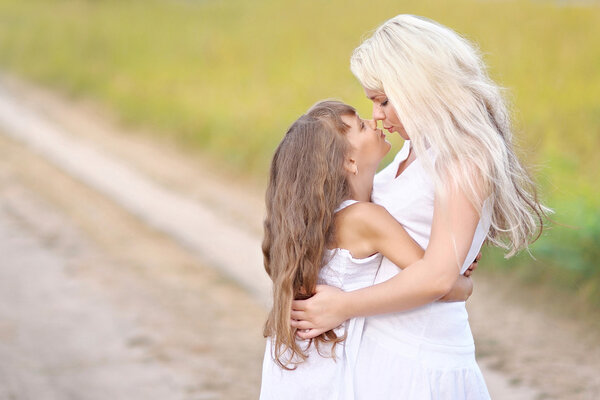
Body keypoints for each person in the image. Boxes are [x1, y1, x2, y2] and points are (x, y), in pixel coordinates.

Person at [290, 15, 549, 399]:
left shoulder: (464, 158)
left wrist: (343, 305)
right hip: (377, 350)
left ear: (418, 85)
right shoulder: (413, 149)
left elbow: (437, 277)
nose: (377, 115)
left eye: (383, 100)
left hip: (419, 358)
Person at [260, 100, 476, 399]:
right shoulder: (365, 218)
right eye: (362, 126)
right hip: (325, 371)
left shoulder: (326, 217)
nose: (374, 122)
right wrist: (464, 281)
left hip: (299, 365)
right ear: (349, 161)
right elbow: (439, 282)